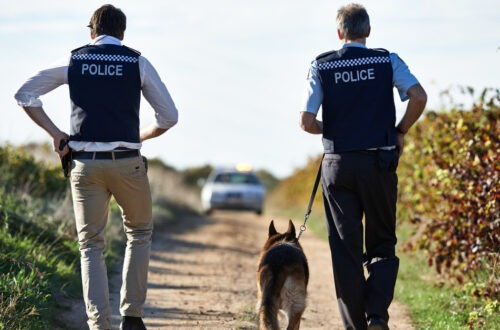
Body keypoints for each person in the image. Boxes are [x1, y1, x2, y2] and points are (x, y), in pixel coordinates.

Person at [14, 4, 179, 330]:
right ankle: (132, 318)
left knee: (91, 245)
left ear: (91, 32)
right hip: (128, 163)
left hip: (85, 167)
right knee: (139, 234)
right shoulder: (137, 62)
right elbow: (169, 117)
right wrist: (140, 135)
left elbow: (25, 94)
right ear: (122, 33)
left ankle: (98, 324)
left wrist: (56, 133)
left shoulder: (74, 59)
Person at [299, 3, 427, 330]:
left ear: (339, 33)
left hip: (338, 166)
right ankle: (378, 316)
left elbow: (306, 120)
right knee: (382, 242)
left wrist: (335, 129)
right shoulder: (387, 60)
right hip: (380, 162)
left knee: (346, 250)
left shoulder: (321, 65)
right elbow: (418, 96)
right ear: (368, 31)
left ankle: (356, 326)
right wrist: (400, 131)